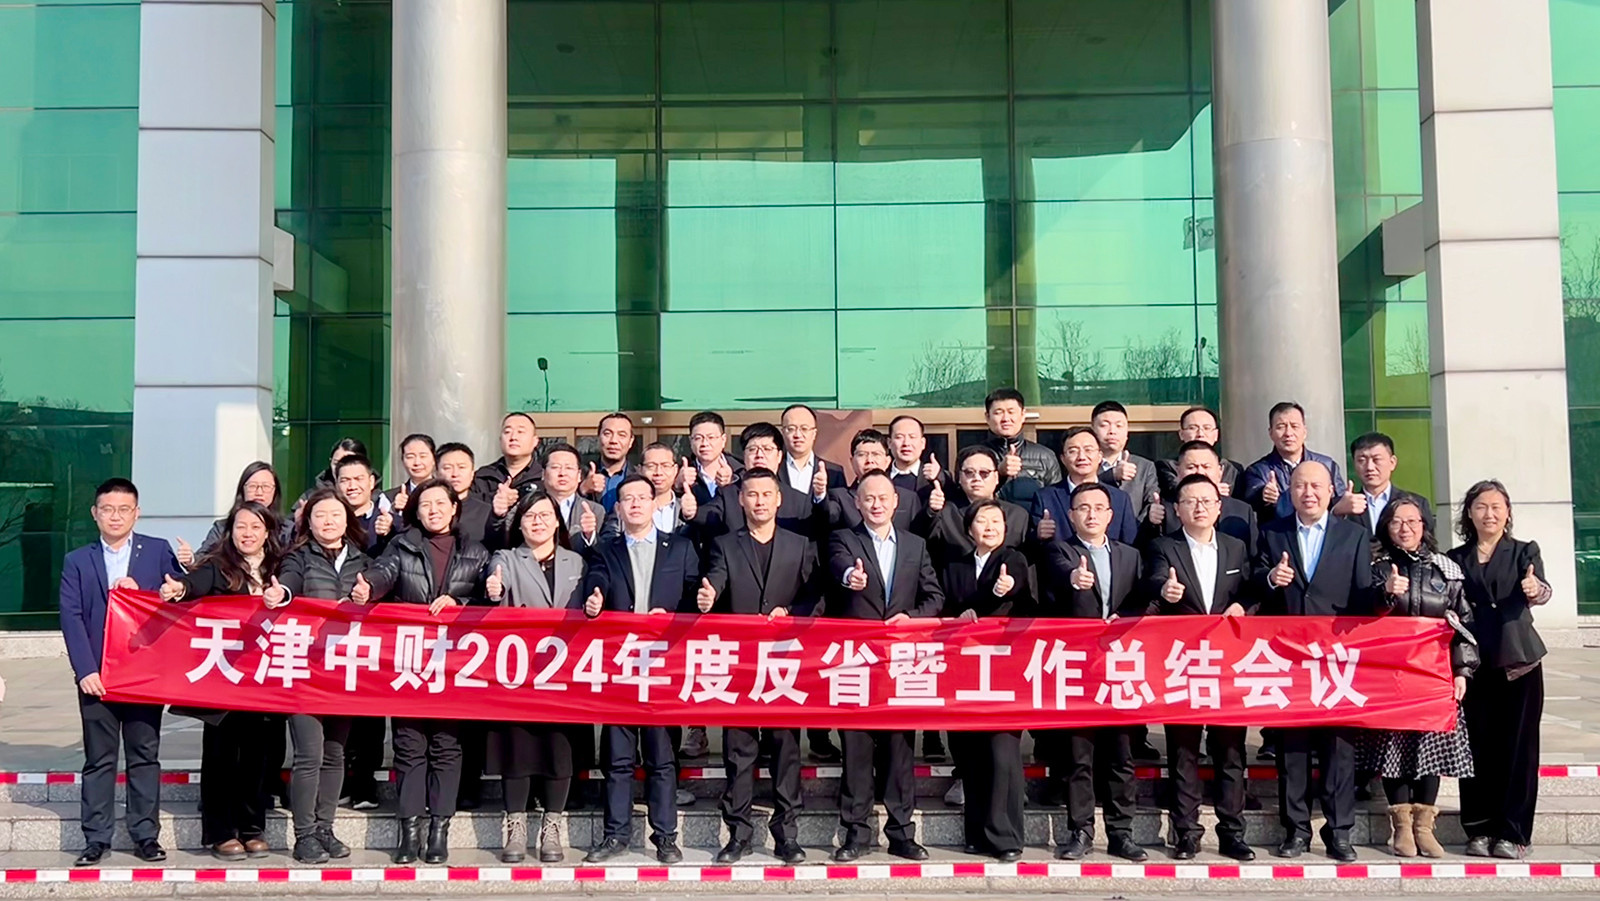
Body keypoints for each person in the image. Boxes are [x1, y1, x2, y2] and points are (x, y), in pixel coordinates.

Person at [362, 477, 492, 865]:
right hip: (411, 663)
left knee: (447, 748)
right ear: (416, 512)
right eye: (425, 505)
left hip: (454, 666)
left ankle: (439, 830)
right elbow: (383, 573)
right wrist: (368, 587)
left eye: (440, 503)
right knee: (409, 747)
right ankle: (410, 831)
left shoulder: (476, 552)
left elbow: (489, 598)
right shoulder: (402, 546)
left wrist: (459, 603)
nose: (433, 510)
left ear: (455, 508)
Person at [697, 468, 819, 866]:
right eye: (752, 494)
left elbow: (816, 598)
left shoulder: (801, 544)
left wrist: (793, 613)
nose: (760, 501)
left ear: (779, 499)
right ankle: (739, 834)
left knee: (786, 751)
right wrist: (708, 596)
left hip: (785, 663)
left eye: (767, 494)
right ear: (741, 500)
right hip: (741, 664)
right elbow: (715, 580)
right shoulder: (724, 545)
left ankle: (787, 836)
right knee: (739, 752)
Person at [1254, 460, 1372, 862]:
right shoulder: (1273, 533)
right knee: (1293, 749)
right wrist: (1271, 579)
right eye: (1301, 485)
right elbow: (1254, 582)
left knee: (1339, 750)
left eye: (1317, 486)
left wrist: (1388, 596)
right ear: (1290, 491)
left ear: (1331, 491)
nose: (1309, 493)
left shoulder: (1354, 535)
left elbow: (1362, 596)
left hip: (1336, 658)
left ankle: (1339, 833)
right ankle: (1296, 830)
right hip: (1288, 657)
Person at [824, 470, 944, 863]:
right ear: (857, 503)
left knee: (899, 752)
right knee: (856, 752)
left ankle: (902, 833)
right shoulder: (844, 539)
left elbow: (934, 596)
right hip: (857, 662)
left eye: (883, 497)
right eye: (868, 498)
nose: (876, 504)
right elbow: (839, 566)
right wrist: (850, 577)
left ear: (896, 502)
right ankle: (855, 834)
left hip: (901, 663)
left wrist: (913, 618)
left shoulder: (915, 545)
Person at [60, 478, 181, 867]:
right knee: (99, 758)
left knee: (144, 754)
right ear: (95, 513)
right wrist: (85, 669)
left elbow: (178, 599)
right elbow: (71, 617)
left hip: (143, 675)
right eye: (107, 509)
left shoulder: (157, 551)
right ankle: (96, 838)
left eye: (123, 509)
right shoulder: (77, 560)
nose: (115, 516)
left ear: (136, 513)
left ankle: (145, 835)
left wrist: (143, 591)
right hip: (98, 676)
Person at [158, 501, 287, 862]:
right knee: (221, 757)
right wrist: (179, 588)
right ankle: (220, 831)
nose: (248, 533)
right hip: (224, 681)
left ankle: (252, 828)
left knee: (257, 758)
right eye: (241, 526)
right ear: (230, 531)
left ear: (267, 532)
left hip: (264, 681)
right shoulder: (219, 565)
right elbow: (194, 584)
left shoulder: (280, 567)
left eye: (256, 527)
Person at [581, 474, 699, 864]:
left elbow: (694, 595)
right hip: (620, 665)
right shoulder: (605, 549)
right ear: (616, 508)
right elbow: (596, 580)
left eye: (642, 498)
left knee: (661, 758)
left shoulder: (680, 547)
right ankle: (615, 835)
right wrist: (594, 599)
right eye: (627, 498)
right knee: (617, 758)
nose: (634, 504)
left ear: (654, 504)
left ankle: (665, 836)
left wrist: (678, 614)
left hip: (664, 666)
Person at [1138, 474, 1256, 862]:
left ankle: (1232, 832)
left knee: (1230, 753)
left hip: (1227, 665)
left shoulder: (1236, 548)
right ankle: (1187, 832)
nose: (1199, 507)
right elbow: (1155, 579)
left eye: (1207, 500)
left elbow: (1252, 593)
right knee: (1184, 752)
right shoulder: (1164, 546)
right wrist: (1164, 590)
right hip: (1183, 664)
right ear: (1177, 509)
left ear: (1219, 507)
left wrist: (1243, 607)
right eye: (1190, 501)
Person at [1361, 497, 1477, 859]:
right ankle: (1402, 828)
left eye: (1413, 521)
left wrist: (1463, 670)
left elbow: (1463, 624)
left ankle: (1425, 828)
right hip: (1390, 674)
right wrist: (1385, 594)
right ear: (1386, 527)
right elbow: (1360, 613)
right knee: (1394, 749)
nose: (1405, 528)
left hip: (1434, 673)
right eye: (1397, 522)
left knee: (1430, 748)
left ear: (1424, 526)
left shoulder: (1447, 570)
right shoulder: (1376, 567)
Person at [1035, 482, 1146, 862]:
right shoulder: (1059, 550)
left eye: (1099, 508)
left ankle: (1121, 833)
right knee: (1078, 756)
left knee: (1120, 756)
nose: (1092, 514)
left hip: (1120, 666)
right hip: (1077, 667)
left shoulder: (1131, 555)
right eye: (1083, 508)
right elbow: (1060, 574)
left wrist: (1127, 617)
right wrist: (1074, 579)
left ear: (1111, 515)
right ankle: (1080, 830)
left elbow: (1143, 600)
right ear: (1071, 515)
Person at [268, 487, 373, 864]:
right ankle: (305, 835)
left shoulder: (363, 560)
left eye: (335, 515)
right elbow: (289, 584)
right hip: (306, 669)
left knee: (335, 753)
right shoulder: (297, 558)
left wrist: (369, 596)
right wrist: (281, 594)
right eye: (320, 515)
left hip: (345, 670)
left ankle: (325, 827)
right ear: (308, 523)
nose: (328, 522)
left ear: (348, 520)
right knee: (309, 753)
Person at [1447, 479, 1550, 860]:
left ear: (1507, 513)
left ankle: (1513, 832)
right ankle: (1478, 828)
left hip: (1518, 663)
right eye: (1481, 506)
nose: (1488, 514)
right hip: (1473, 666)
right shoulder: (1455, 558)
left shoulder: (1524, 551)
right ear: (1469, 514)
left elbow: (1542, 588)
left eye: (1496, 507)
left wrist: (1535, 589)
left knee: (1518, 749)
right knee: (1476, 748)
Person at [484, 491, 587, 864]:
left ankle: (552, 826)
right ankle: (515, 826)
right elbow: (495, 581)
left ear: (557, 521)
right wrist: (494, 589)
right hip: (521, 674)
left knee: (559, 750)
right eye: (530, 516)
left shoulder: (577, 561)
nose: (538, 522)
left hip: (564, 674)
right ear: (520, 524)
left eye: (545, 515)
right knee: (518, 749)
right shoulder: (508, 558)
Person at [939, 500, 1031, 862]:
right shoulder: (954, 565)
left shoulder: (1013, 559)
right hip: (963, 672)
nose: (990, 526)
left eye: (997, 521)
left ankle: (1006, 837)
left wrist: (998, 592)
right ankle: (976, 833)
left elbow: (1014, 590)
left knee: (1002, 754)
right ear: (969, 529)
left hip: (1003, 671)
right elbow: (945, 607)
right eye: (982, 520)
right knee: (969, 753)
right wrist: (956, 617)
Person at [692, 422, 825, 544]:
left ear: (779, 456)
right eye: (752, 449)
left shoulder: (799, 501)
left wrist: (820, 494)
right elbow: (706, 516)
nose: (759, 455)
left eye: (767, 449)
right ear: (744, 456)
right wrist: (690, 511)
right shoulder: (728, 495)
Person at [920, 446, 1029, 567]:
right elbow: (923, 545)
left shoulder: (1018, 516)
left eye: (984, 473)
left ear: (996, 477)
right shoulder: (945, 513)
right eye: (969, 473)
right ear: (959, 478)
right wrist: (932, 512)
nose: (977, 478)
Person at [1239, 402, 1348, 523]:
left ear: (1304, 431)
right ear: (1270, 433)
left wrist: (1343, 505)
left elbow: (1340, 501)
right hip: (1279, 533)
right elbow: (1250, 498)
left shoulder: (1327, 466)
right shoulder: (1258, 470)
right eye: (1281, 427)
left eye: (1294, 426)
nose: (1288, 433)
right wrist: (1263, 495)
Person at [1030, 426, 1138, 547]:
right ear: (1063, 459)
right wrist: (1037, 535)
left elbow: (1130, 545)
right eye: (1073, 451)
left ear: (1100, 456)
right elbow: (1029, 547)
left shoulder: (1120, 499)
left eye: (1088, 450)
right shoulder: (1045, 497)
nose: (1081, 457)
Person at [1147, 441, 1258, 549]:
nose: (1199, 472)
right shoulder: (1165, 510)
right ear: (1178, 471)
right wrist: (1152, 523)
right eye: (1191, 467)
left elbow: (1253, 555)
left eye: (1206, 466)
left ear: (1220, 472)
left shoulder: (1242, 511)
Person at [824, 429, 923, 534]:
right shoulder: (840, 497)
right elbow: (826, 518)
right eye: (862, 454)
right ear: (852, 461)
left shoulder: (909, 499)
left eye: (876, 454)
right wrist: (820, 494)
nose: (870, 460)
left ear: (887, 461)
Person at [188, 461, 288, 561]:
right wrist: (190, 559)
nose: (259, 492)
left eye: (266, 486)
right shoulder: (222, 528)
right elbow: (202, 559)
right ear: (242, 489)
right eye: (252, 486)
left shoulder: (287, 530)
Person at [600, 442, 696, 540]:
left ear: (675, 470)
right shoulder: (627, 506)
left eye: (665, 466)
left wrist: (690, 516)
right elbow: (608, 541)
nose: (658, 472)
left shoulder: (686, 507)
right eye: (651, 466)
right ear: (640, 470)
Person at [982, 388, 1060, 506]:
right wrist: (1000, 473)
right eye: (998, 412)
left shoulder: (1045, 456)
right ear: (987, 417)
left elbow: (1055, 500)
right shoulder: (973, 455)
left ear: (1023, 415)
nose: (1006, 419)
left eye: (1011, 412)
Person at [1344, 432, 1433, 535]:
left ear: (1392, 462)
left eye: (1376, 460)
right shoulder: (1345, 506)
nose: (1369, 467)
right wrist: (1338, 513)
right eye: (1361, 460)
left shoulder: (1417, 503)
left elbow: (1428, 541)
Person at [1156, 406, 1243, 498]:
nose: (1200, 434)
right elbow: (1172, 490)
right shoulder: (1166, 466)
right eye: (1193, 428)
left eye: (1206, 428)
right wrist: (1210, 491)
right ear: (1181, 434)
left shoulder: (1233, 469)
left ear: (1216, 434)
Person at [1091, 400, 1158, 521]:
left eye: (1119, 426)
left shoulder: (1145, 466)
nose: (1112, 431)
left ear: (1127, 431)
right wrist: (1111, 475)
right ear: (1093, 430)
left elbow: (1151, 504)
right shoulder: (1085, 464)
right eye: (1104, 425)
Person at [540, 442, 604, 553]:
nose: (562, 473)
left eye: (569, 468)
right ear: (543, 474)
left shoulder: (596, 511)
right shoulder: (528, 508)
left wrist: (590, 536)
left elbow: (605, 552)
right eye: (555, 467)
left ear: (579, 475)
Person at [471, 411, 543, 502]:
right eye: (507, 432)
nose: (513, 437)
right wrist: (494, 499)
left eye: (520, 432)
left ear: (535, 441)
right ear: (500, 440)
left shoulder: (544, 478)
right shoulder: (483, 477)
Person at [435, 442, 496, 547]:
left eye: (462, 467)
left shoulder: (486, 512)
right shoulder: (429, 510)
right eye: (447, 468)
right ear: (436, 473)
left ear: (472, 473)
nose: (455, 474)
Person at [779, 403, 847, 498]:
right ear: (783, 432)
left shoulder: (834, 472)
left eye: (804, 429)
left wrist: (821, 496)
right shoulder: (774, 468)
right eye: (791, 429)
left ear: (814, 433)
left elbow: (839, 505)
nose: (798, 435)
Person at [293, 438, 368, 521]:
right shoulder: (311, 496)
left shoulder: (377, 499)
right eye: (336, 463)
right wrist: (300, 524)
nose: (340, 468)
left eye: (348, 463)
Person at [334, 454, 394, 551]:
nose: (352, 486)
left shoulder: (386, 520)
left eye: (358, 479)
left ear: (371, 482)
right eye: (345, 480)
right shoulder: (331, 521)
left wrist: (390, 531)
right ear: (337, 485)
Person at [582, 411, 639, 512]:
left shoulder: (640, 476)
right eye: (607, 434)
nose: (613, 441)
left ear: (631, 441)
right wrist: (583, 489)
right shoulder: (580, 474)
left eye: (622, 435)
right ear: (598, 438)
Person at [684, 410, 742, 506]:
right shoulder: (682, 473)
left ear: (723, 440)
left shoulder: (741, 471)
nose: (705, 443)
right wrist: (677, 486)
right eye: (698, 438)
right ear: (690, 441)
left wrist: (732, 481)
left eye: (711, 437)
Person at [888, 414, 952, 496]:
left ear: (923, 443)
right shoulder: (880, 476)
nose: (906, 443)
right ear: (889, 443)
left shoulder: (937, 477)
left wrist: (939, 476)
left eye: (912, 437)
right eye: (899, 437)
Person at [384, 433, 437, 510]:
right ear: (403, 461)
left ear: (434, 459)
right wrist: (394, 510)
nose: (417, 463)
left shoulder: (447, 493)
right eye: (410, 457)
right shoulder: (389, 497)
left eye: (423, 456)